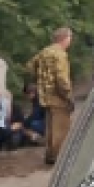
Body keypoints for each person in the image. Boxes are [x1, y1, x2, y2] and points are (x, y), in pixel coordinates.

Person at [27, 27, 76, 165]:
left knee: (50, 128)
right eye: (70, 38)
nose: (70, 41)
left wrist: (41, 78)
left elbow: (30, 66)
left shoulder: (44, 52)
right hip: (58, 97)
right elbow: (61, 78)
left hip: (45, 96)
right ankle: (58, 158)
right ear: (64, 38)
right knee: (61, 128)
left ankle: (49, 156)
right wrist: (68, 95)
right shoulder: (60, 54)